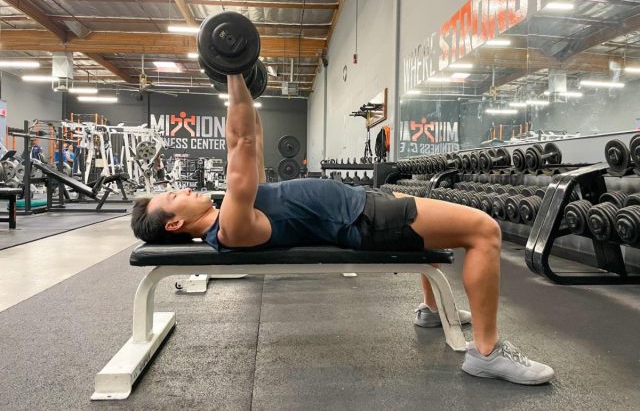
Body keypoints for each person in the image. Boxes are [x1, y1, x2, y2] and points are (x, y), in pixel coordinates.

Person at [131, 74, 554, 386]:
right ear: (174, 223)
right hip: (363, 222)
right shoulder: (232, 227)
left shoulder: (231, 211)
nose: (182, 188)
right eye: (172, 195)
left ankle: (430, 311)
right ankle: (486, 352)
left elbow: (252, 140)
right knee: (484, 231)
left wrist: (248, 86)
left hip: (361, 207)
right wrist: (233, 73)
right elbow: (239, 142)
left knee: (443, 224)